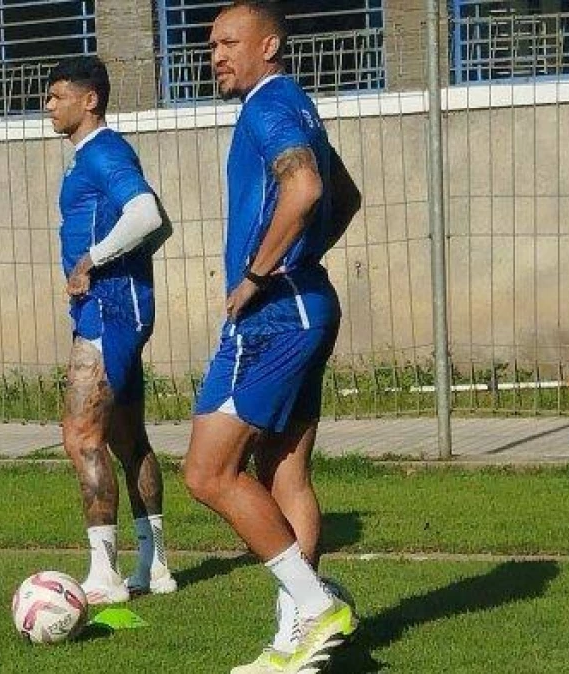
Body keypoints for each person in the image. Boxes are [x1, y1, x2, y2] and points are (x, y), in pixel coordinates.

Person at [181, 2, 363, 672]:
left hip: (276, 317)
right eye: (211, 45)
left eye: (229, 42)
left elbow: (308, 187)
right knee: (283, 470)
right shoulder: (294, 102)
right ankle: (298, 635)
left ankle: (314, 606)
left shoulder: (265, 107)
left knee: (206, 472)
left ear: (270, 44)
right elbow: (345, 196)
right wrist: (304, 260)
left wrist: (261, 272)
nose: (216, 55)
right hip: (308, 305)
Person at [46, 56, 177, 605]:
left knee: (81, 436)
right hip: (115, 308)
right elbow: (157, 224)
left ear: (89, 100)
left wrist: (91, 262)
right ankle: (157, 565)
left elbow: (148, 216)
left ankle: (105, 574)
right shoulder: (87, 159)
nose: (48, 106)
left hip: (108, 311)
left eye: (56, 96)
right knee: (127, 441)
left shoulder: (105, 151)